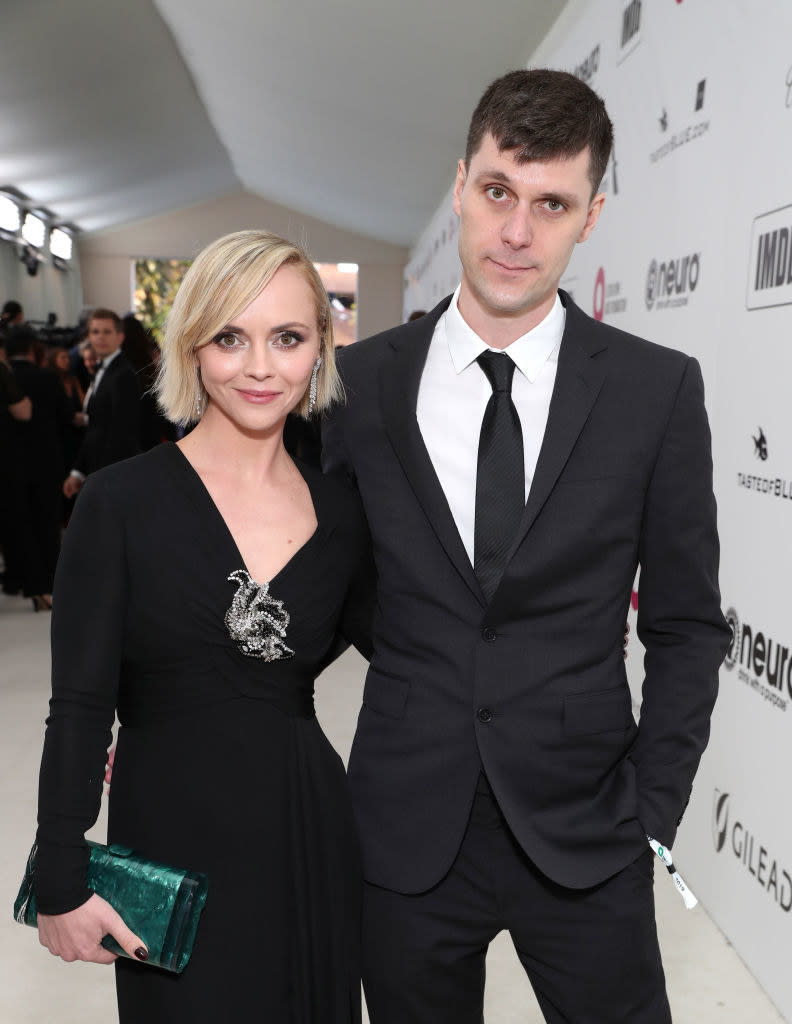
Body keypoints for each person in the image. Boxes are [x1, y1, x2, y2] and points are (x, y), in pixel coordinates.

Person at [322, 69, 730, 1023]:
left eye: (552, 204)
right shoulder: (360, 386)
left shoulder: (655, 391)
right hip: (405, 828)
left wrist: (650, 815)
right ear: (461, 183)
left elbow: (687, 624)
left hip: (590, 831)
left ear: (591, 216)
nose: (517, 232)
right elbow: (339, 592)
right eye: (499, 192)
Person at [35, 231, 373, 1022]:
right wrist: (60, 873)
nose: (260, 367)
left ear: (320, 348)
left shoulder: (345, 515)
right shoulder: (120, 505)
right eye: (231, 337)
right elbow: (80, 704)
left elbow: (422, 658)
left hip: (307, 833)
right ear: (192, 344)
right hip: (170, 840)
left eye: (287, 338)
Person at [6, 326, 74, 610]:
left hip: (11, 464)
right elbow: (65, 418)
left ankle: (28, 584)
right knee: (48, 524)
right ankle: (51, 583)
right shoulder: (47, 377)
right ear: (34, 349)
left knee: (21, 525)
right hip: (47, 461)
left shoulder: (9, 379)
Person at [63, 309, 141, 499]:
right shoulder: (104, 370)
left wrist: (101, 478)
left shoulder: (123, 375)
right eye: (95, 332)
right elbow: (96, 427)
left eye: (107, 332)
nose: (100, 337)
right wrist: (78, 472)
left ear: (120, 337)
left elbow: (121, 432)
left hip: (114, 473)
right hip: (103, 471)